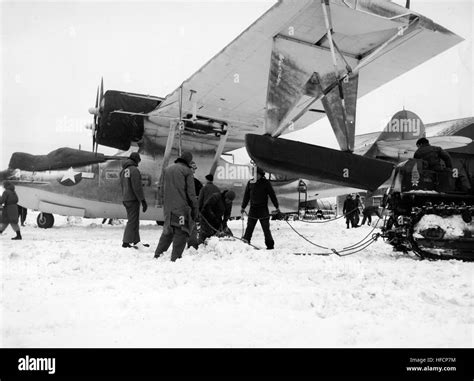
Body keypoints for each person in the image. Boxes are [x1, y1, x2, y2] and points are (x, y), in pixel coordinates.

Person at [154, 151, 198, 261]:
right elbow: (191, 193)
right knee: (181, 232)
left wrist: (162, 202)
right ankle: (175, 258)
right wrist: (194, 209)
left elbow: (161, 187)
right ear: (188, 161)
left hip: (168, 207)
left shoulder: (167, 169)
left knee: (168, 231)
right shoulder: (187, 172)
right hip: (181, 207)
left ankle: (158, 254)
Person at [241, 167, 280, 249]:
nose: (255, 175)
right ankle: (246, 242)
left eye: (257, 174)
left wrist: (276, 206)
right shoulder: (250, 182)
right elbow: (246, 196)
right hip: (253, 209)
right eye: (254, 174)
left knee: (266, 229)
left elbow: (272, 195)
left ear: (260, 175)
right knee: (249, 227)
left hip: (263, 209)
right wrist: (243, 207)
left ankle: (270, 245)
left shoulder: (266, 183)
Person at [120, 152, 148, 248]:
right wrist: (143, 200)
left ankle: (136, 241)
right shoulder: (134, 170)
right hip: (132, 199)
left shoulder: (123, 171)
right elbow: (137, 187)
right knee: (132, 221)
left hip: (126, 198)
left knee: (134, 220)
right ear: (136, 159)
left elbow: (122, 185)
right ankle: (126, 242)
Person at [187, 161, 203, 250]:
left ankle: (192, 244)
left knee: (192, 227)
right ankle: (192, 245)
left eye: (195, 168)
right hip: (187, 207)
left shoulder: (196, 182)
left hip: (192, 207)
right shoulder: (185, 181)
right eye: (193, 168)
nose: (194, 171)